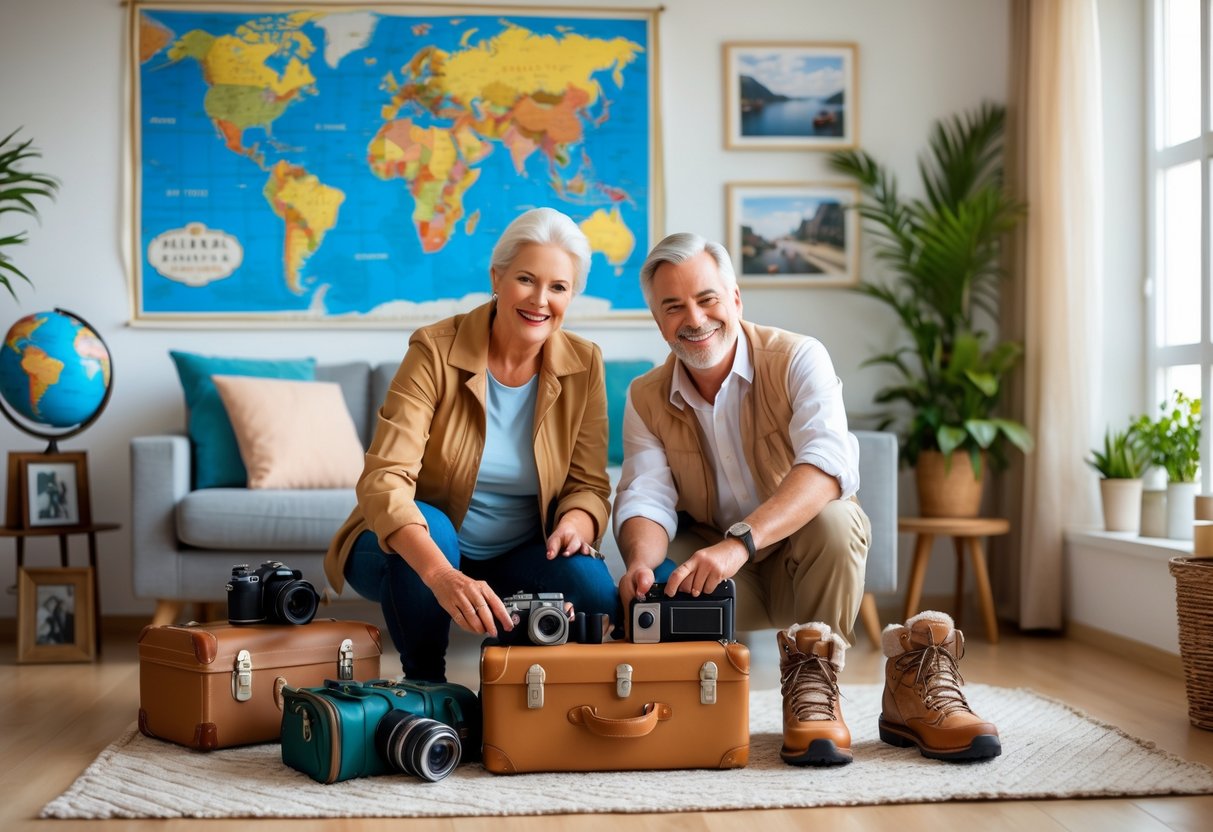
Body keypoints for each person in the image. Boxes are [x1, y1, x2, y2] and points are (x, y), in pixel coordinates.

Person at [614, 232, 1000, 767]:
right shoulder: (643, 396)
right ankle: (691, 708)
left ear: (736, 300)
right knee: (656, 583)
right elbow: (647, 495)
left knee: (836, 519)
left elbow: (826, 467)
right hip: (723, 577)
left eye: (707, 299)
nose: (695, 318)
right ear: (657, 320)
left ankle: (815, 693)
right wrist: (639, 562)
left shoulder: (797, 356)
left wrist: (740, 542)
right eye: (673, 306)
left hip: (804, 557)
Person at [325, 208, 617, 682]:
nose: (541, 300)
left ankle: (515, 687)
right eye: (526, 279)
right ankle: (426, 685)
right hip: (410, 545)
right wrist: (444, 577)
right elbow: (386, 480)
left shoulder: (585, 364)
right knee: (433, 526)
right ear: (497, 277)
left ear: (572, 295)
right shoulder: (434, 350)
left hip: (518, 551)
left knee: (595, 589)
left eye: (558, 287)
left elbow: (588, 484)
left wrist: (574, 522)